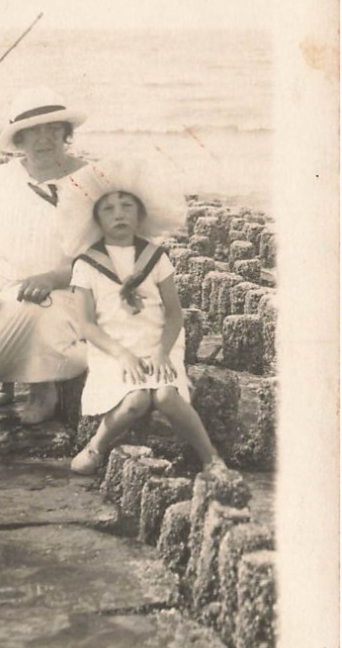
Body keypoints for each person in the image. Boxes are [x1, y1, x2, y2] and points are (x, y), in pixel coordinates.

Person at [57, 155, 226, 475]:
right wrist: (122, 354)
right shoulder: (87, 264)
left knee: (165, 396)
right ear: (94, 218)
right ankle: (97, 444)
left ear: (141, 213)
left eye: (127, 206)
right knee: (136, 400)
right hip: (113, 347)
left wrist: (163, 353)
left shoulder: (154, 257)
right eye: (108, 208)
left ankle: (210, 457)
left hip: (157, 342)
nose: (118, 214)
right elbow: (87, 325)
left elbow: (175, 314)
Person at [0, 88, 88, 425]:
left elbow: (101, 256)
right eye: (32, 132)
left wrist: (51, 278)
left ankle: (41, 388)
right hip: (8, 290)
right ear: (18, 138)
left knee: (37, 308)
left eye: (53, 129)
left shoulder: (90, 180)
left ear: (65, 133)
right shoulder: (1, 177)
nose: (44, 139)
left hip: (68, 291)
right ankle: (7, 374)